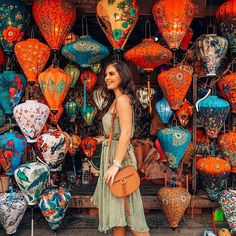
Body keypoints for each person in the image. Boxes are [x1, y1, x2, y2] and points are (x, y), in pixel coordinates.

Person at [91, 60, 150, 236]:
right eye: (106, 74)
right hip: (113, 157)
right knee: (119, 214)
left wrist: (116, 165)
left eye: (112, 74)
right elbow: (115, 133)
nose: (106, 77)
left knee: (131, 215)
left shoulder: (123, 99)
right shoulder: (116, 100)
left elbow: (125, 134)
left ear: (122, 76)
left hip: (120, 160)